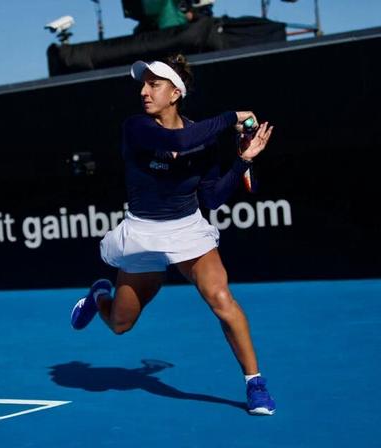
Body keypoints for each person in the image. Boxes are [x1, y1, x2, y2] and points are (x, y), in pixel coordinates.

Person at [70, 54, 275, 416]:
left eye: (154, 84)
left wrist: (243, 160)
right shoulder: (136, 127)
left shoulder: (204, 139)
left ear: (175, 92)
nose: (144, 92)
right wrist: (233, 117)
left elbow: (211, 197)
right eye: (143, 84)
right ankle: (100, 296)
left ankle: (254, 383)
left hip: (187, 230)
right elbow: (180, 137)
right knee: (120, 324)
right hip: (143, 234)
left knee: (221, 298)